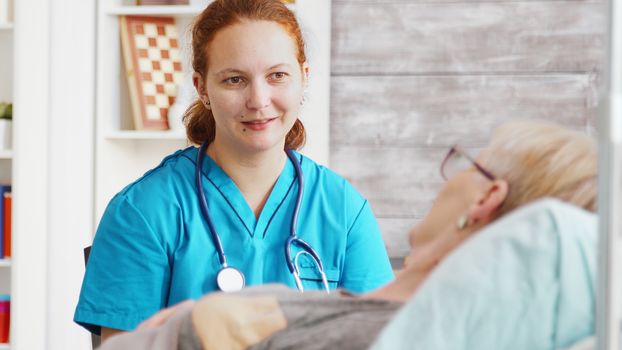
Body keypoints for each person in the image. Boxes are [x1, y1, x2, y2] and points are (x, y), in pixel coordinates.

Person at [97, 119, 598, 349]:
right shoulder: (146, 207)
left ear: (484, 200)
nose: (258, 101)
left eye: (467, 164)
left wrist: (197, 319)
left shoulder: (335, 317)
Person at [74, 0, 394, 342]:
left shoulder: (344, 210)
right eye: (234, 79)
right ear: (201, 88)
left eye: (277, 76)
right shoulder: (143, 211)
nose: (258, 100)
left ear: (303, 78)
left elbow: (386, 339)